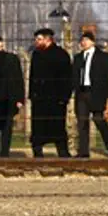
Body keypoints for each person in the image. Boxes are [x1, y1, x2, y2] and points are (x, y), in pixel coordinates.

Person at [71, 31, 108, 159]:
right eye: (82, 40)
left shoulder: (103, 57)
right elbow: (73, 76)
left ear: (92, 42)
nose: (83, 42)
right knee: (82, 122)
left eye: (86, 40)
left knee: (99, 120)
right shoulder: (78, 58)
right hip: (82, 93)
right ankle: (83, 151)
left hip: (97, 94)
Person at [28, 28, 73, 158]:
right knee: (38, 128)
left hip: (56, 99)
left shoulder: (61, 55)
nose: (37, 42)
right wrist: (32, 95)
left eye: (39, 39)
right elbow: (32, 76)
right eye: (36, 39)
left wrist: (64, 97)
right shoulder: (36, 55)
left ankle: (63, 153)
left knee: (58, 127)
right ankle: (37, 152)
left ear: (48, 39)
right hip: (39, 99)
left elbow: (67, 78)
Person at [0, 35, 24, 157]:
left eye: (0, 47)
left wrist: (20, 99)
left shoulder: (12, 59)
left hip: (9, 99)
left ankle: (5, 154)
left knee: (7, 128)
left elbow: (19, 79)